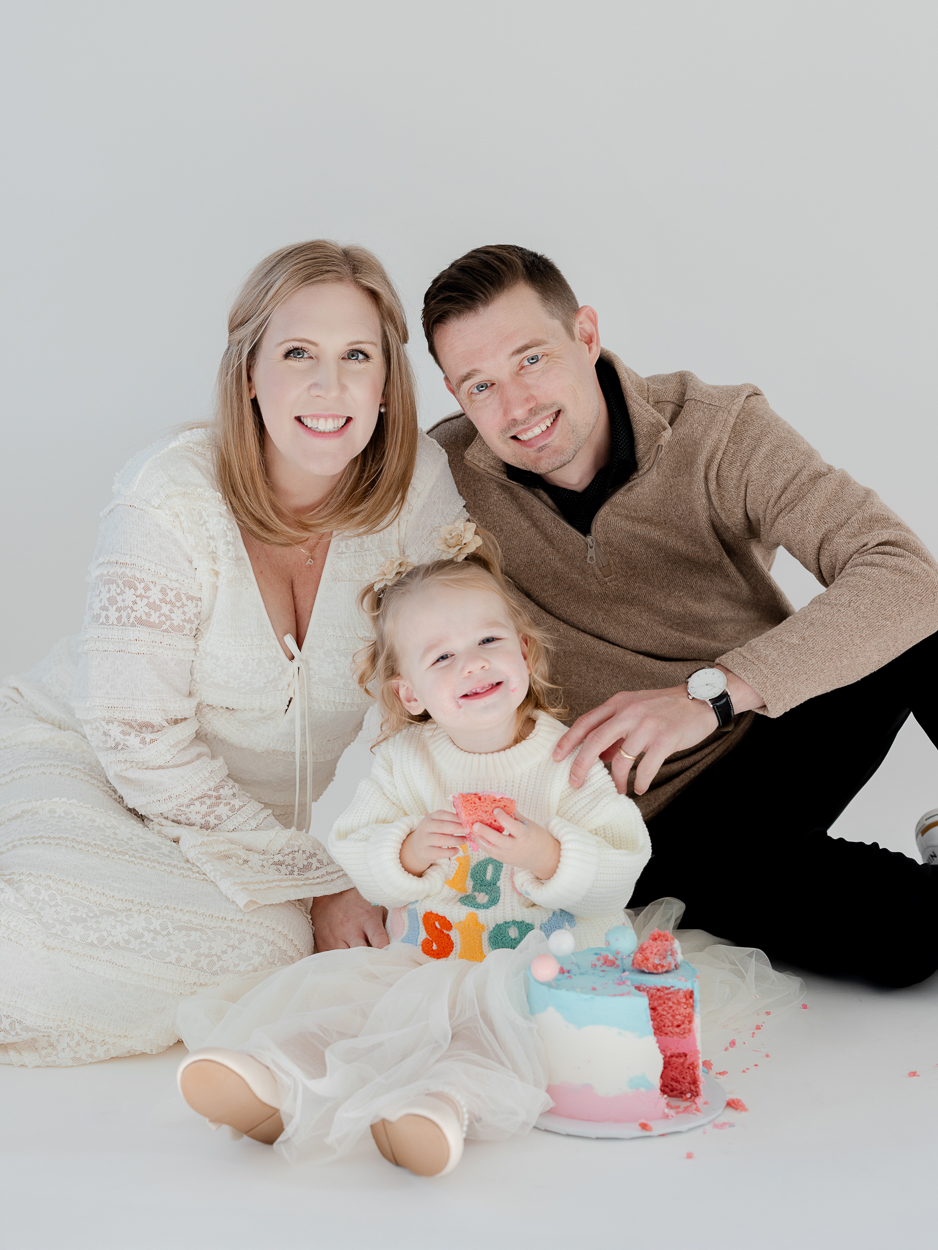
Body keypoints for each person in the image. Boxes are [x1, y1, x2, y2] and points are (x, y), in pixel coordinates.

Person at [0, 240, 470, 1067]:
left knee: (272, 951)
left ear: (389, 386)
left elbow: (433, 687)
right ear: (249, 372)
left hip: (224, 837)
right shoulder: (170, 496)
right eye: (298, 354)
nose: (330, 388)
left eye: (357, 356)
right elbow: (137, 743)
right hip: (80, 758)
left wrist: (406, 850)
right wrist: (319, 876)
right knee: (44, 945)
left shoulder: (415, 492)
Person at [422, 244, 938, 989]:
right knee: (905, 948)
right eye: (480, 385)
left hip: (773, 716)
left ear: (586, 335)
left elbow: (904, 574)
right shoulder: (444, 486)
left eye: (531, 359)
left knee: (921, 625)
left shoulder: (717, 429)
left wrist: (713, 692)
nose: (516, 407)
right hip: (663, 813)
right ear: (454, 393)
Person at [174, 543, 654, 1177]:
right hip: (426, 956)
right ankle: (272, 1077)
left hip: (535, 969)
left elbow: (623, 864)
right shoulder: (409, 762)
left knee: (485, 1035)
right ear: (412, 692)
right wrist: (405, 850)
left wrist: (547, 853)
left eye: (488, 640)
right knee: (355, 1010)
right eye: (443, 657)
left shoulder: (565, 760)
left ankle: (437, 1108)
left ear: (525, 652)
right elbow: (355, 844)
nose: (472, 665)